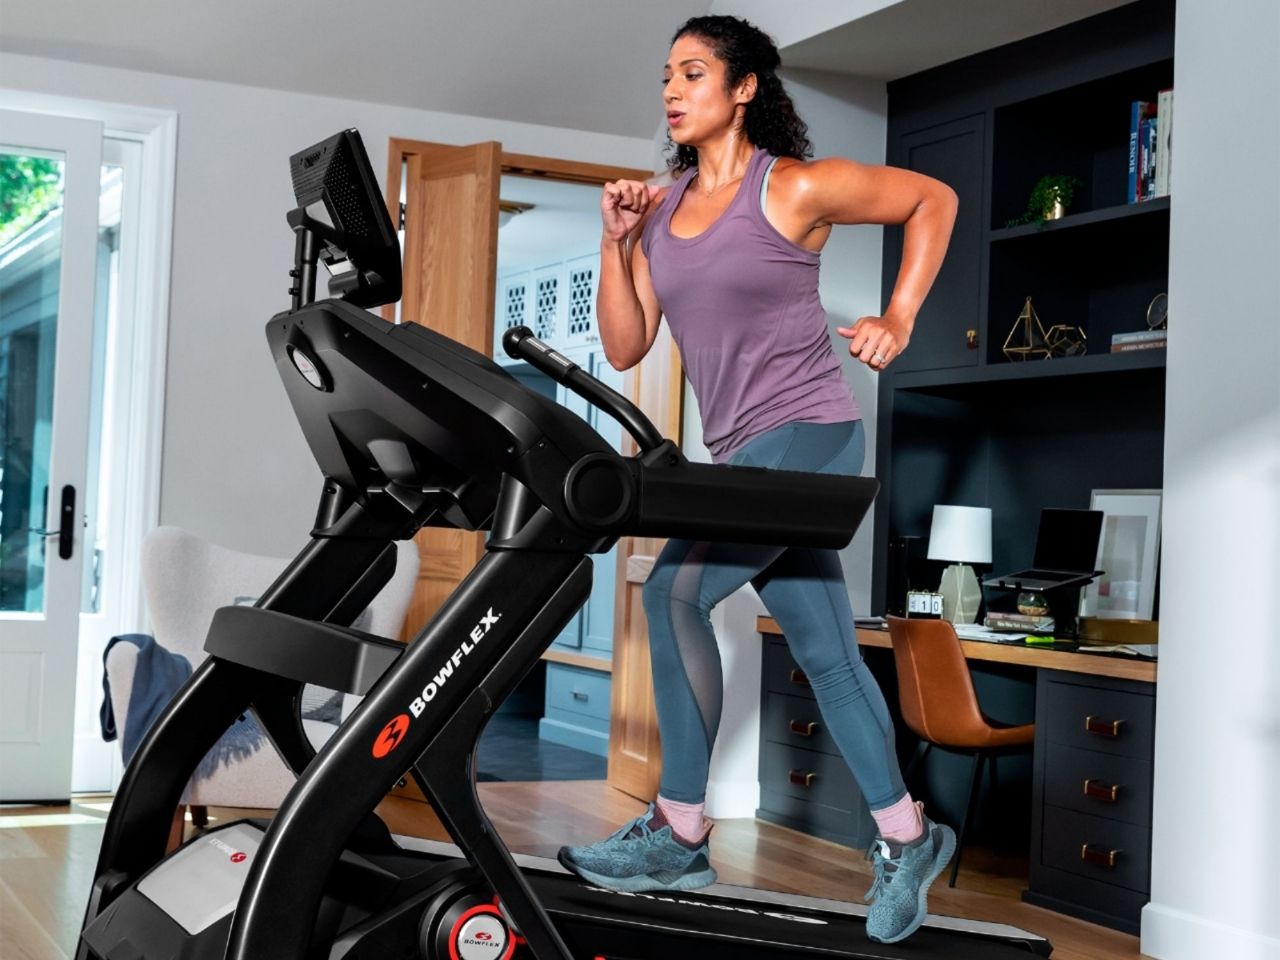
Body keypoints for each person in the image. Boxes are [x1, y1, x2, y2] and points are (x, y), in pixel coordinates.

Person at [557, 15, 959, 945]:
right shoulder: (661, 210)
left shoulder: (797, 186)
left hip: (812, 434)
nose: (671, 90)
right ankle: (908, 835)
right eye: (666, 75)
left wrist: (897, 316)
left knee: (674, 593)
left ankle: (680, 828)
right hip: (740, 453)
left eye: (692, 73)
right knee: (825, 653)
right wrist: (616, 242)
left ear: (743, 88)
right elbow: (626, 345)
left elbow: (931, 198)